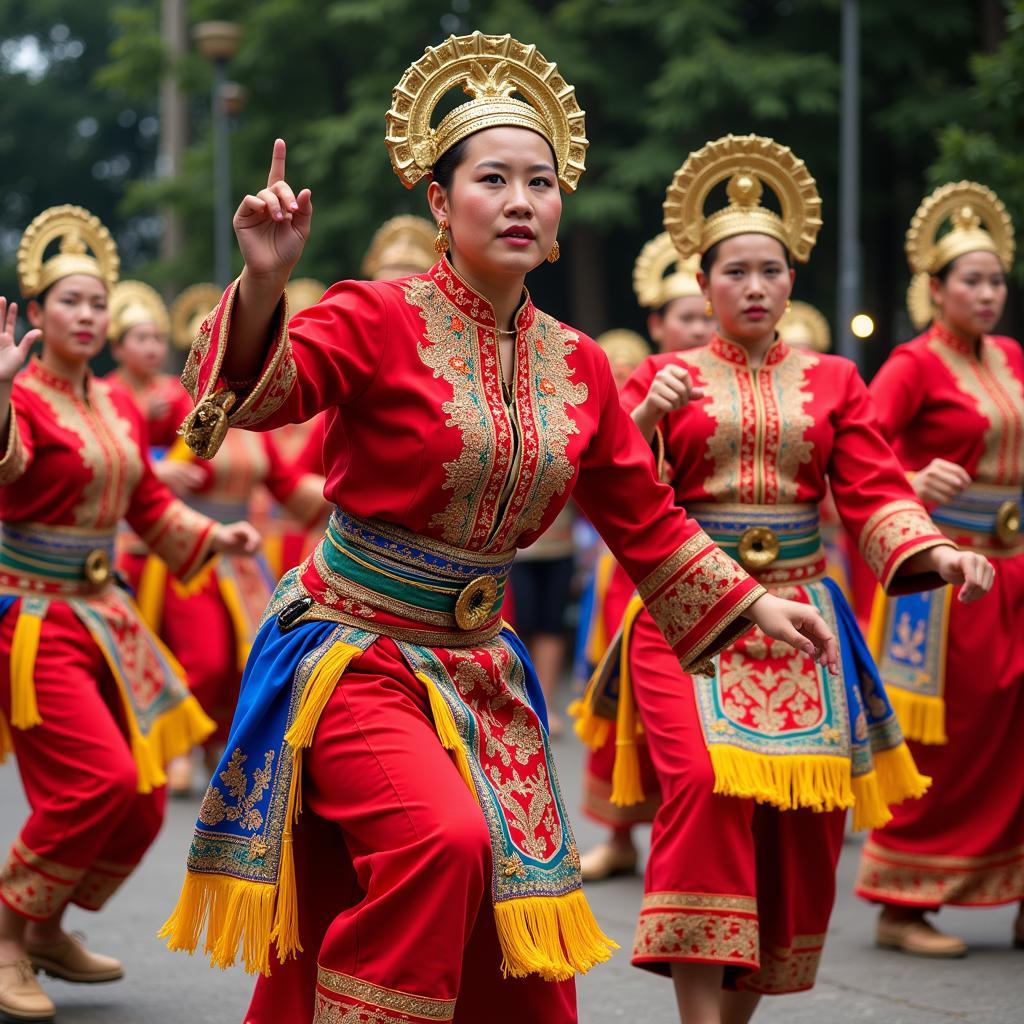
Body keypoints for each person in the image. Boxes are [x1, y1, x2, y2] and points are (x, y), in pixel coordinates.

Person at [159, 36, 839, 1024]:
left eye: (541, 181)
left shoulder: (579, 364)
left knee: (508, 915)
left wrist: (750, 606)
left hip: (479, 667)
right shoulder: (376, 315)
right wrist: (263, 283)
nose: (522, 199)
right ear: (440, 202)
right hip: (352, 652)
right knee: (443, 844)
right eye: (492, 178)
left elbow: (641, 517)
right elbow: (261, 396)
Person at [573, 135, 994, 1024]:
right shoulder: (660, 377)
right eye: (736, 272)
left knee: (797, 828)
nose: (756, 287)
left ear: (792, 278)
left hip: (803, 616)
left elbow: (874, 489)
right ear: (703, 280)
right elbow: (616, 493)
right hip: (688, 616)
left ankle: (733, 1018)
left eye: (772, 270)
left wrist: (936, 550)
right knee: (702, 791)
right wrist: (643, 419)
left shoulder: (837, 378)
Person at [0, 205, 259, 1021]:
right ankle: (8, 936)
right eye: (68, 302)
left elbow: (149, 502)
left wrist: (219, 538)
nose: (86, 315)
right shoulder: (28, 400)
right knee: (95, 780)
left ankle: (44, 926)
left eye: (96, 303)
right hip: (34, 619)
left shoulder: (112, 402)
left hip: (107, 618)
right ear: (36, 315)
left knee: (144, 794)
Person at [855, 181, 1024, 956]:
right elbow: (858, 454)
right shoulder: (911, 364)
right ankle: (902, 903)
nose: (987, 294)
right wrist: (912, 484)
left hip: (1015, 568)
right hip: (945, 582)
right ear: (934, 288)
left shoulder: (1012, 357)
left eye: (995, 281)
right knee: (952, 742)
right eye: (971, 281)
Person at [635, 231, 715, 353]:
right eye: (686, 318)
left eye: (708, 319)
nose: (699, 330)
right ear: (656, 325)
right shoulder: (644, 372)